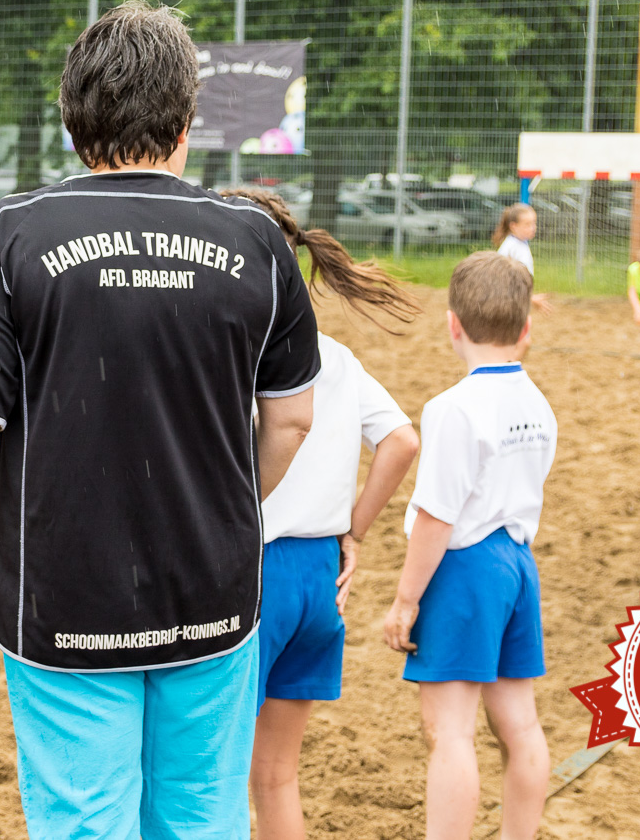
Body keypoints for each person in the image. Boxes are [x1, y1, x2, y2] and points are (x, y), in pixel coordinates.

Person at [0, 0, 320, 839]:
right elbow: (293, 420)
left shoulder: (14, 233)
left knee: (88, 822)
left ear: (71, 116)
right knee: (201, 815)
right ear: (187, 120)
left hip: (66, 593)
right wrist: (225, 508)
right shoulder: (256, 239)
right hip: (213, 585)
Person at [219, 189, 421, 840]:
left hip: (252, 571)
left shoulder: (235, 351)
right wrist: (354, 528)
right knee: (277, 775)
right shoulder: (335, 354)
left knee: (213, 774)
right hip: (319, 578)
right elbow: (401, 441)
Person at [383, 251, 555, 840]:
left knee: (449, 732)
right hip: (517, 562)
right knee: (521, 725)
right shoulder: (538, 403)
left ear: (452, 324)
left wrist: (406, 599)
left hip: (466, 567)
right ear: (526, 329)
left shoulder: (452, 408)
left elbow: (436, 516)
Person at [493, 203, 551, 314]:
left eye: (534, 223)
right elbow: (502, 282)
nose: (533, 228)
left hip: (516, 303)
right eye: (527, 224)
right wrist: (530, 299)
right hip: (507, 306)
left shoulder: (519, 243)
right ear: (513, 226)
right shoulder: (510, 247)